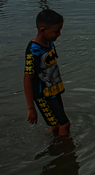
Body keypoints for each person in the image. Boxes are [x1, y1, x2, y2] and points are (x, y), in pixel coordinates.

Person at [24, 9, 70, 137]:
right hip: (43, 95)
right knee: (64, 124)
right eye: (56, 31)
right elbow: (27, 79)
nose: (59, 34)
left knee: (56, 125)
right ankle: (66, 152)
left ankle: (52, 148)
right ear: (42, 30)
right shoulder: (33, 50)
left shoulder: (49, 43)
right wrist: (31, 107)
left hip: (54, 91)